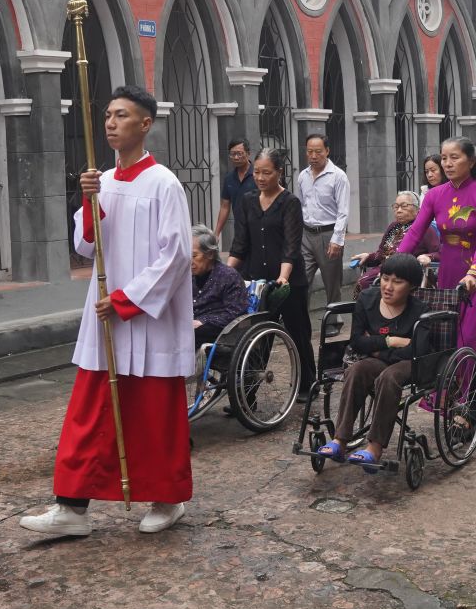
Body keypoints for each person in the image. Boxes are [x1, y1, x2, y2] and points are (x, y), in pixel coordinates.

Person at [22, 85, 193, 538]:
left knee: (153, 415)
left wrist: (125, 300)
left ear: (145, 123)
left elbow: (176, 255)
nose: (111, 123)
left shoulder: (164, 184)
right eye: (108, 115)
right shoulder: (104, 181)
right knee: (90, 412)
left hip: (148, 320)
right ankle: (72, 507)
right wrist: (88, 199)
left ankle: (167, 499)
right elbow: (85, 245)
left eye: (122, 115)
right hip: (105, 320)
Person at [397, 137, 476, 399]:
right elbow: (415, 232)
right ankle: (447, 394)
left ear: (471, 161)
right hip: (449, 267)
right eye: (444, 158)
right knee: (447, 332)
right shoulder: (435, 195)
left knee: (473, 334)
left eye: (455, 157)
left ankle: (472, 403)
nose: (447, 163)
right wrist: (394, 263)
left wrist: (475, 272)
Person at [317, 253, 427, 470]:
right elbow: (357, 342)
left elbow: (416, 350)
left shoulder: (420, 311)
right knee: (357, 369)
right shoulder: (367, 299)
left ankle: (374, 447)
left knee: (389, 377)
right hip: (379, 360)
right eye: (385, 278)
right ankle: (340, 440)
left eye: (398, 282)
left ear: (412, 287)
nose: (388, 287)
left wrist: (375, 348)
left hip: (410, 364)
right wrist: (391, 341)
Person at [228, 148, 316, 396]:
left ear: (279, 172)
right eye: (256, 172)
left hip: (288, 283)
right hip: (257, 282)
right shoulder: (247, 201)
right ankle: (247, 396)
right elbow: (240, 243)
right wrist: (225, 272)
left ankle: (307, 385)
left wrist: (283, 277)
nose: (260, 177)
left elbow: (291, 245)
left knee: (298, 333)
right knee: (255, 338)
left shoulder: (290, 203)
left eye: (266, 172)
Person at [297, 133, 350, 306]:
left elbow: (343, 211)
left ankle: (334, 318)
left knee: (332, 284)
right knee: (301, 281)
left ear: (327, 151)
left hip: (328, 235)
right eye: (309, 151)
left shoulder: (338, 176)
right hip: (306, 235)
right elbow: (302, 206)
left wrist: (337, 240)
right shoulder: (303, 176)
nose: (313, 156)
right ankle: (301, 318)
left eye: (318, 151)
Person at [354, 190, 438, 296]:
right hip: (385, 269)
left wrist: (428, 257)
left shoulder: (426, 229)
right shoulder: (393, 227)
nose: (399, 210)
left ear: (418, 209)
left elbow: (438, 253)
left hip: (405, 273)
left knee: (370, 285)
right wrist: (369, 256)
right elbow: (382, 253)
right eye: (396, 206)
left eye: (404, 206)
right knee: (364, 282)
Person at [190, 226, 247, 348]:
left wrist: (203, 322)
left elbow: (236, 313)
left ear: (210, 254)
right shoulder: (188, 277)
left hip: (218, 331)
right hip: (190, 325)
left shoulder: (229, 276)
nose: (189, 261)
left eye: (194, 256)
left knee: (189, 335)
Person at [213, 137, 254, 246]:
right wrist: (216, 233)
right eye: (232, 154)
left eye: (239, 154)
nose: (236, 157)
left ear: (248, 154)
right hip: (240, 229)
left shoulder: (258, 175)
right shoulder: (229, 178)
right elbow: (225, 207)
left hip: (259, 227)